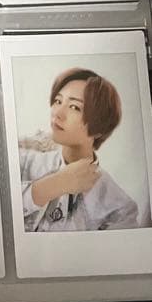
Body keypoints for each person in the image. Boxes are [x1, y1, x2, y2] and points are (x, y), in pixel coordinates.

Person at [19, 67, 138, 231]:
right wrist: (55, 184)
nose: (57, 113)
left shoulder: (119, 208)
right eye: (58, 101)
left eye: (74, 107)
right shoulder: (26, 162)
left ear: (99, 129)